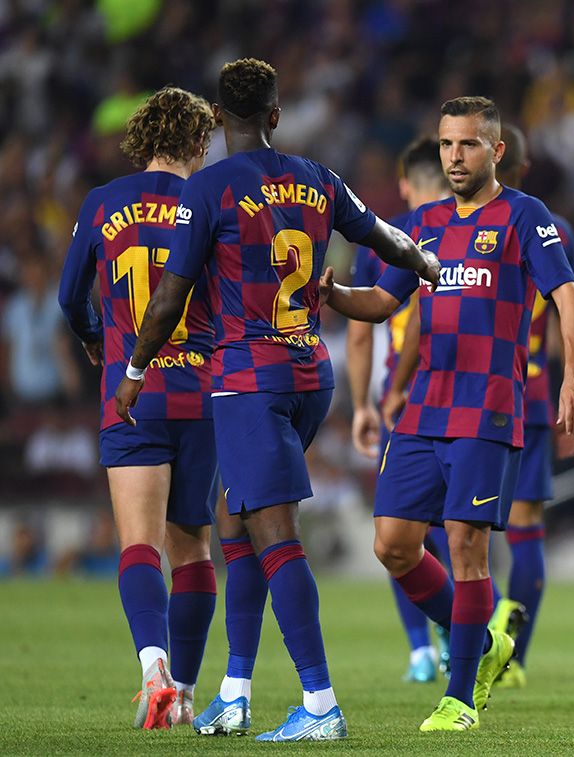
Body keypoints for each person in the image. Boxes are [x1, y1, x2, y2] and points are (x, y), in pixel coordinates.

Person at [114, 58, 438, 742]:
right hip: (309, 374)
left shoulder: (209, 187)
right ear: (276, 114)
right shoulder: (319, 178)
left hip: (248, 381)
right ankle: (234, 692)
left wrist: (136, 368)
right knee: (234, 524)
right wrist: (426, 263)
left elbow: (170, 294)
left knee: (273, 535)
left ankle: (320, 702)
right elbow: (387, 238)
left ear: (216, 118)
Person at [318, 96, 574, 732]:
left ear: (496, 150)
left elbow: (569, 297)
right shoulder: (425, 223)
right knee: (393, 545)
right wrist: (332, 294)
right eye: (446, 144)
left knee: (468, 551)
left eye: (468, 144)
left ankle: (460, 697)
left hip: (488, 406)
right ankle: (485, 641)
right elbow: (382, 301)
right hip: (424, 408)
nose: (455, 156)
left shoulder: (525, 217)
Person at [58, 85, 219, 730]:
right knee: (193, 549)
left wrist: (96, 338)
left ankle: (153, 669)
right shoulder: (211, 199)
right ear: (198, 142)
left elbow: (70, 296)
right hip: (202, 393)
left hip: (134, 394)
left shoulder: (102, 202)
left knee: (139, 546)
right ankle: (185, 694)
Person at [347, 136, 451, 683]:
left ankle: (420, 649)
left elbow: (362, 330)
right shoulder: (470, 227)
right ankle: (460, 637)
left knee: (397, 527)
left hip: (402, 399)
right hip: (463, 396)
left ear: (406, 183)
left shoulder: (385, 237)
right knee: (455, 529)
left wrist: (363, 404)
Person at [491, 122, 574, 689]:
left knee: (458, 527)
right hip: (531, 393)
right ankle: (514, 659)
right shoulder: (557, 231)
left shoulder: (466, 223)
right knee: (525, 528)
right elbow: (559, 323)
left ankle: (476, 640)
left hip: (476, 394)